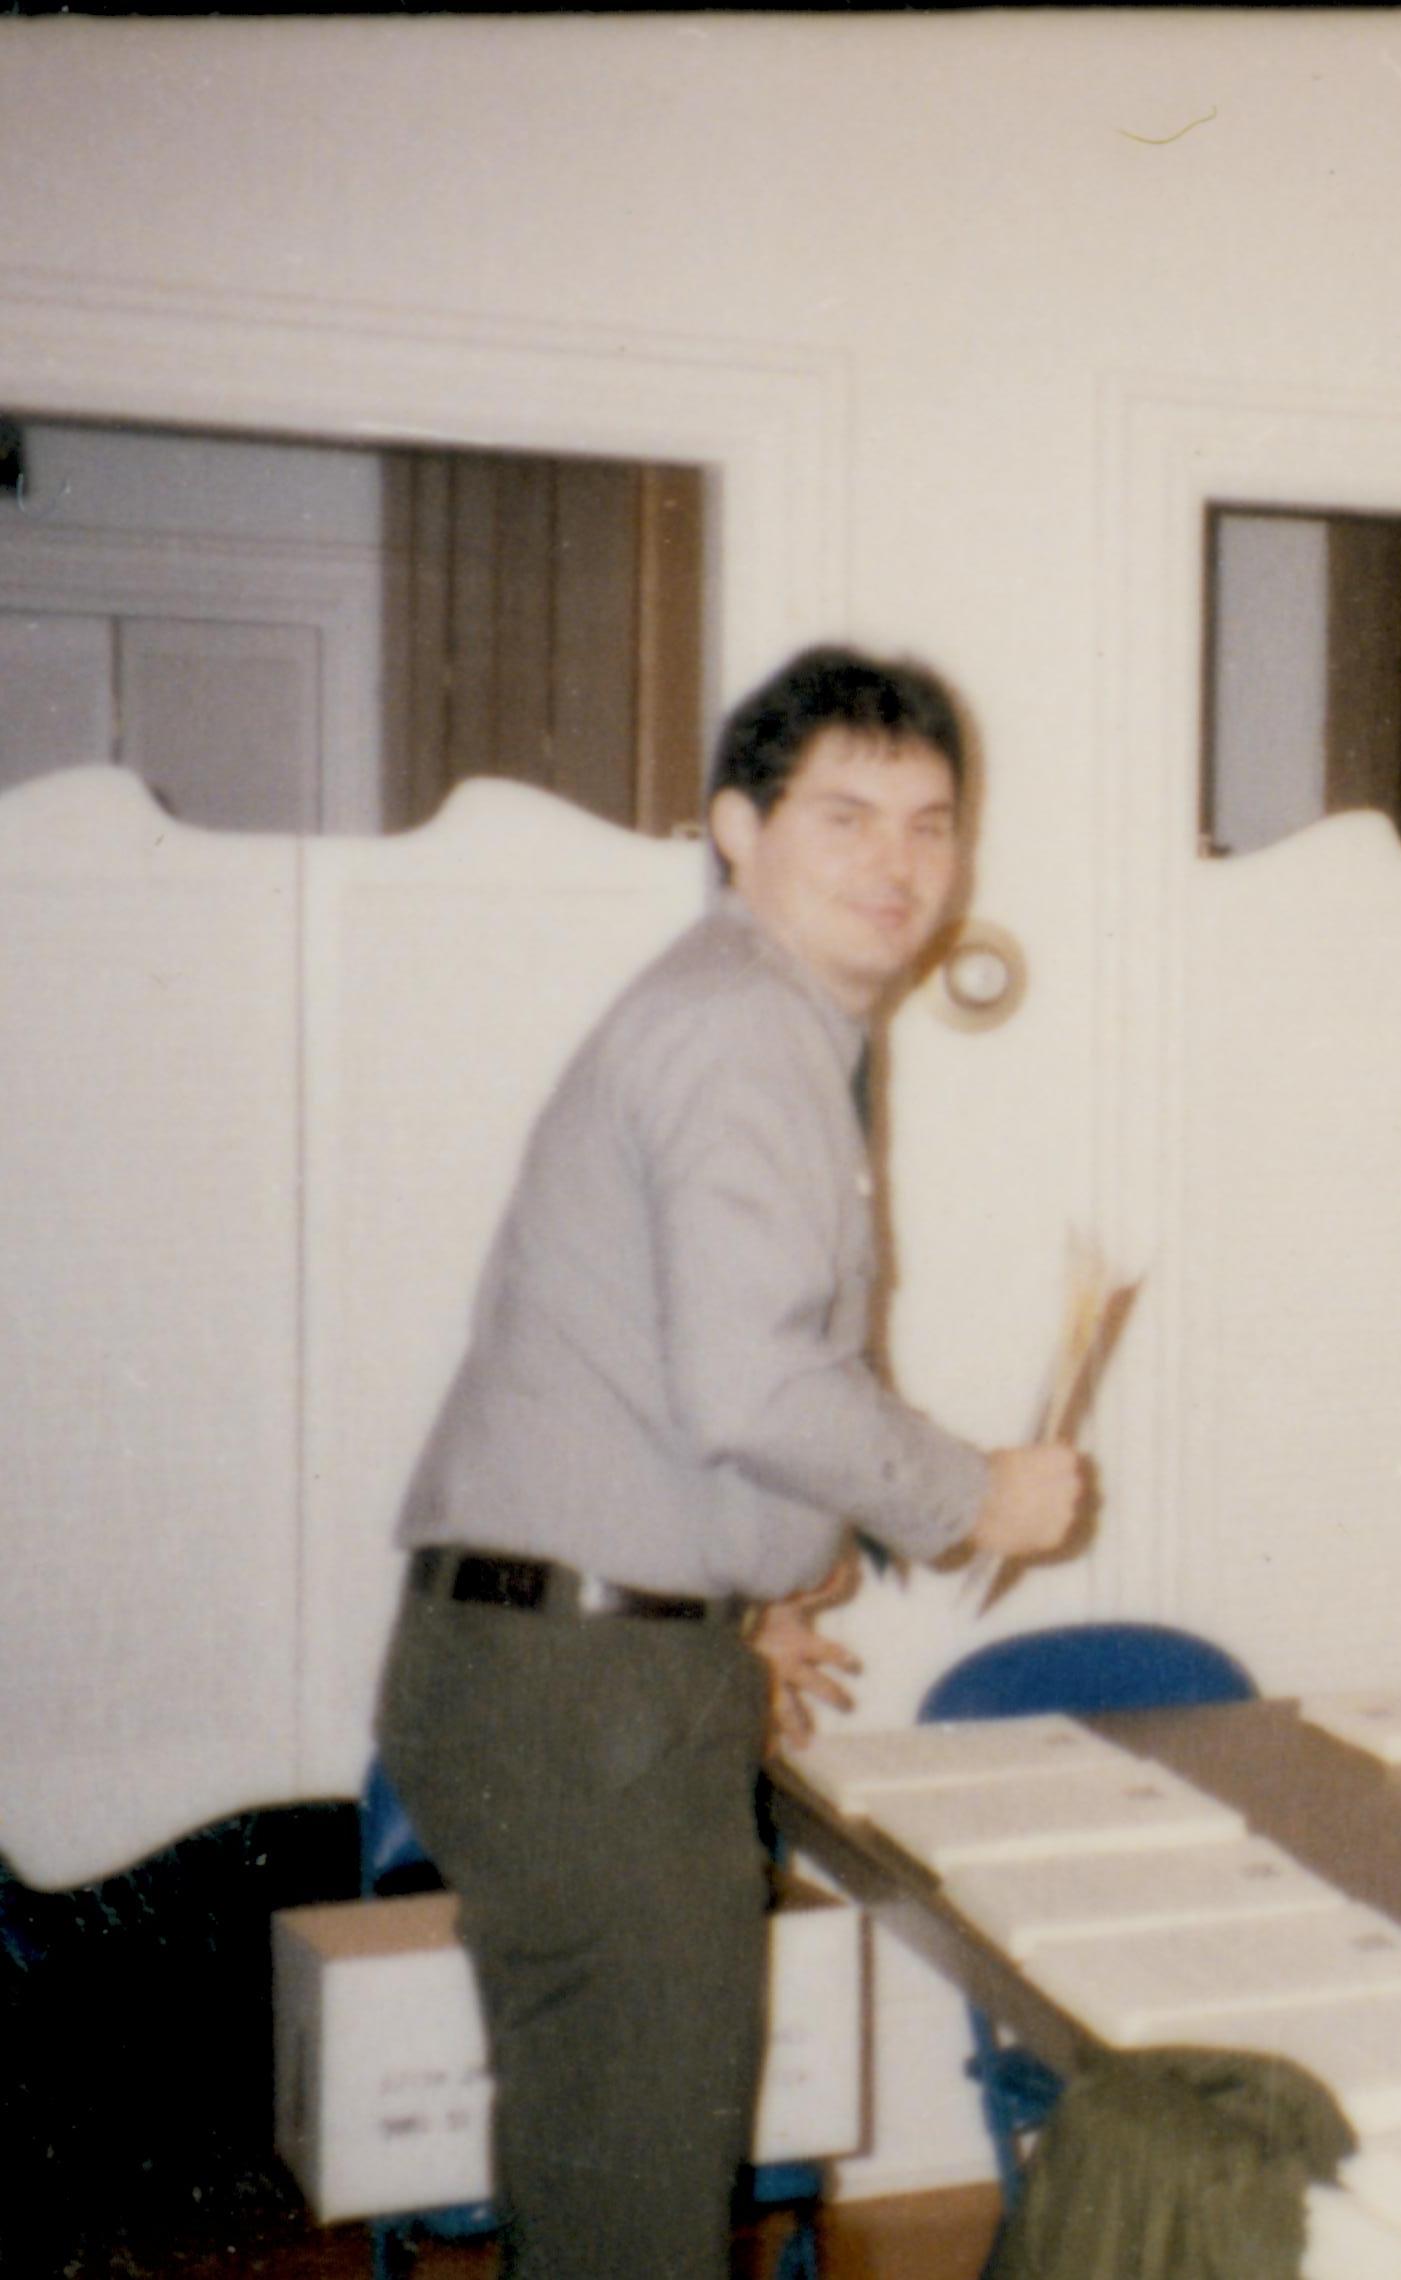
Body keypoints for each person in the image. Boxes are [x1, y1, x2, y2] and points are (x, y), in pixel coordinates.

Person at [374, 645, 1088, 2280]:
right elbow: (756, 1379)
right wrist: (976, 1491)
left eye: (931, 823)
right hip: (586, 1704)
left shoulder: (761, 1020)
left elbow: (662, 1378)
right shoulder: (742, 1029)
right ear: (734, 829)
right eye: (845, 818)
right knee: (634, 2229)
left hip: (571, 1669)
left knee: (601, 2195)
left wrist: (736, 1594)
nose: (898, 863)